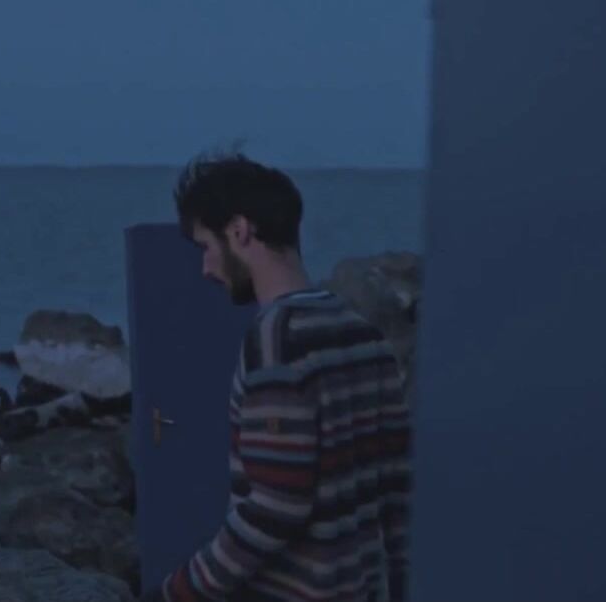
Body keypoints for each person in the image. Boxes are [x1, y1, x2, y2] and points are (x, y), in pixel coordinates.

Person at [140, 150, 412, 602]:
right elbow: (399, 494)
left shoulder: (276, 340)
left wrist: (177, 591)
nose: (205, 268)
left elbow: (276, 507)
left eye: (206, 247)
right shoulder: (363, 334)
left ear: (239, 231)